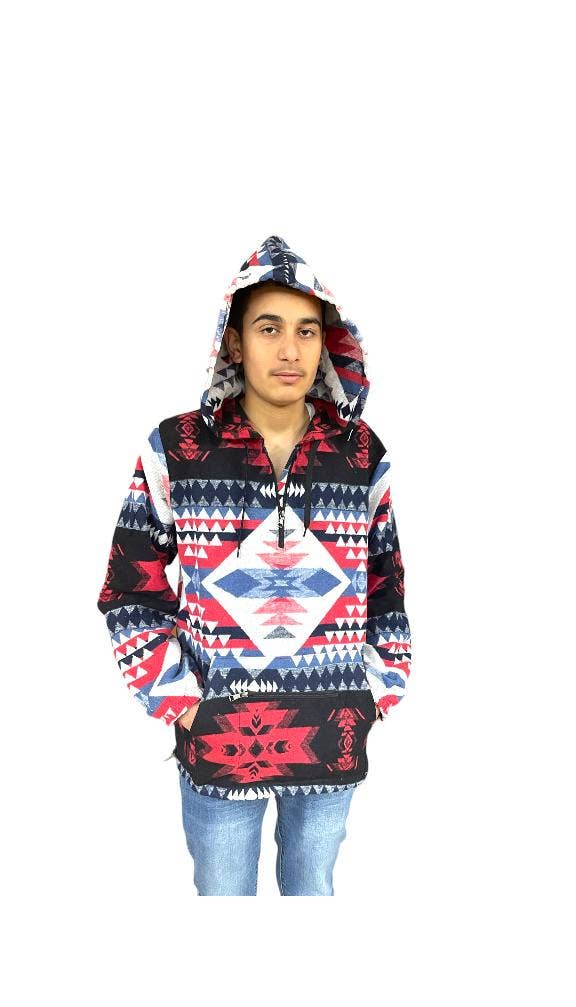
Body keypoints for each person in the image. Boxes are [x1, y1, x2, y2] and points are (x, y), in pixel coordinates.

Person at [96, 234, 412, 895]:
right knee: (223, 906)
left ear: (326, 343)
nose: (290, 350)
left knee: (312, 899)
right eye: (269, 328)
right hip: (219, 740)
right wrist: (179, 701)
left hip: (332, 738)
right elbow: (130, 589)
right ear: (235, 342)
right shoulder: (178, 447)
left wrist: (378, 690)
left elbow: (386, 586)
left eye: (306, 330)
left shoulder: (361, 454)